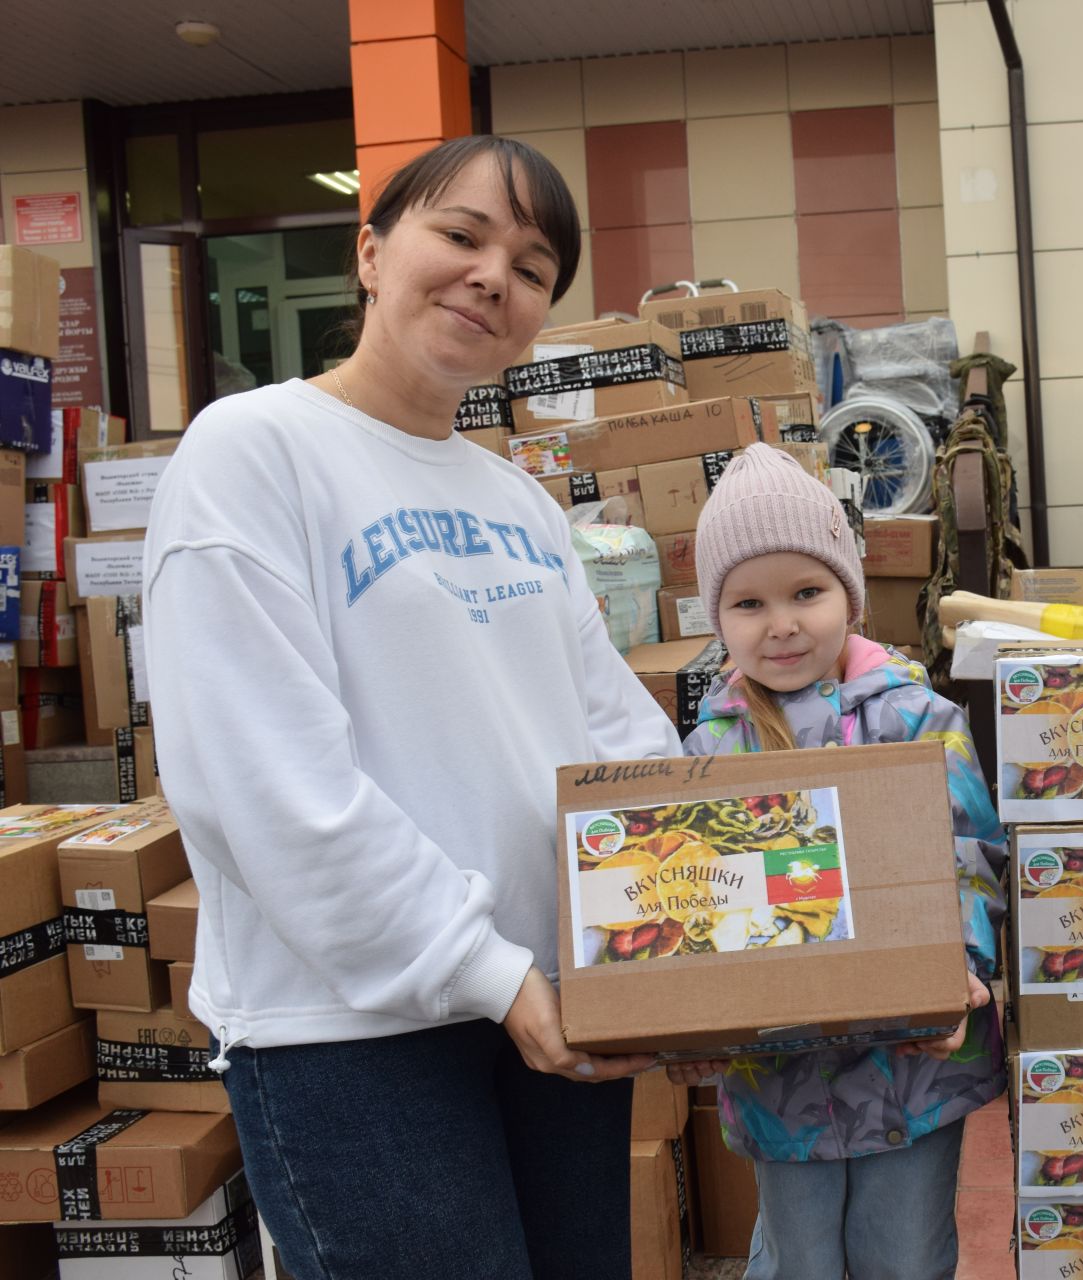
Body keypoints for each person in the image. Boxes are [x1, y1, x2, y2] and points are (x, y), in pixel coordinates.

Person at [142, 135, 678, 1280]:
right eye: (463, 234)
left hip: (552, 1013)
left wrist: (701, 932)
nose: (496, 275)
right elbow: (272, 783)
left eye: (534, 267)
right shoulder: (256, 451)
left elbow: (618, 737)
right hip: (353, 1036)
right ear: (373, 253)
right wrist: (486, 969)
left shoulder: (520, 504)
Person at [668, 444, 1009, 1279]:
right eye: (749, 603)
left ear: (848, 598)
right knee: (799, 1261)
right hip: (780, 1071)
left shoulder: (918, 719)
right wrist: (688, 1017)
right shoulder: (709, 748)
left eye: (807, 593)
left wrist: (959, 969)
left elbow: (969, 849)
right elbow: (690, 897)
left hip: (913, 1065)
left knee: (905, 1255)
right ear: (718, 619)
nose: (781, 623)